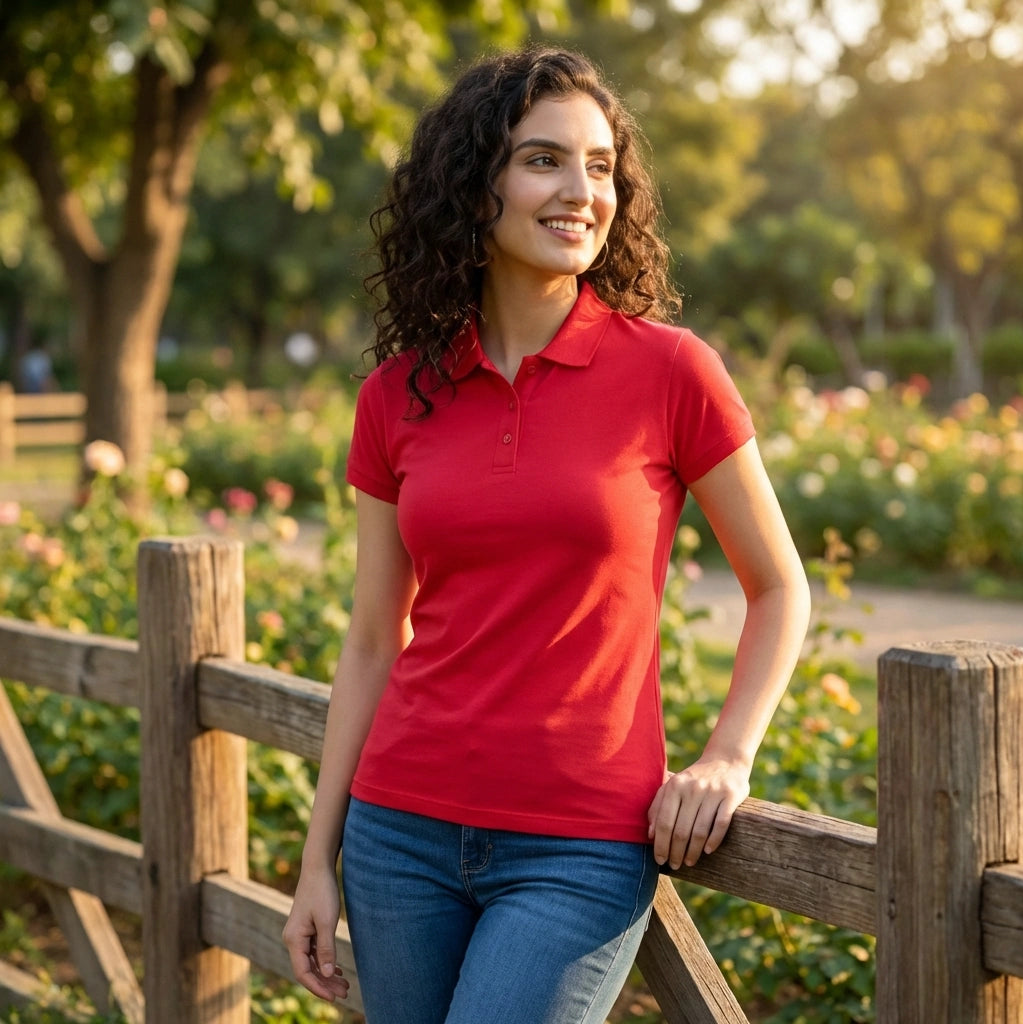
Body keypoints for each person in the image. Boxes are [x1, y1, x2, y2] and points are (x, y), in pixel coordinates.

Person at [282, 46, 811, 1024]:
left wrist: (727, 757)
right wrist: (319, 858)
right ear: (470, 185)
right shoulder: (396, 395)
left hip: (578, 844)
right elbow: (370, 639)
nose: (581, 191)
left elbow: (780, 588)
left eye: (600, 166)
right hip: (398, 830)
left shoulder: (672, 373)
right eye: (543, 160)